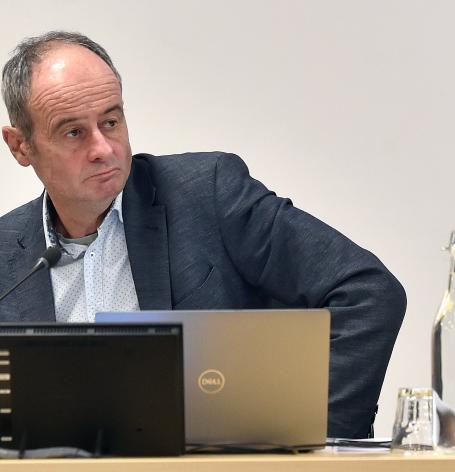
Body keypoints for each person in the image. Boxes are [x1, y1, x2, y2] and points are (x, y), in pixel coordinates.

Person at [0, 31, 406, 439]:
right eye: (74, 133)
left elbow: (368, 293)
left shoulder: (206, 195)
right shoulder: (7, 254)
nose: (103, 148)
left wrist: (307, 438)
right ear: (21, 147)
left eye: (111, 121)